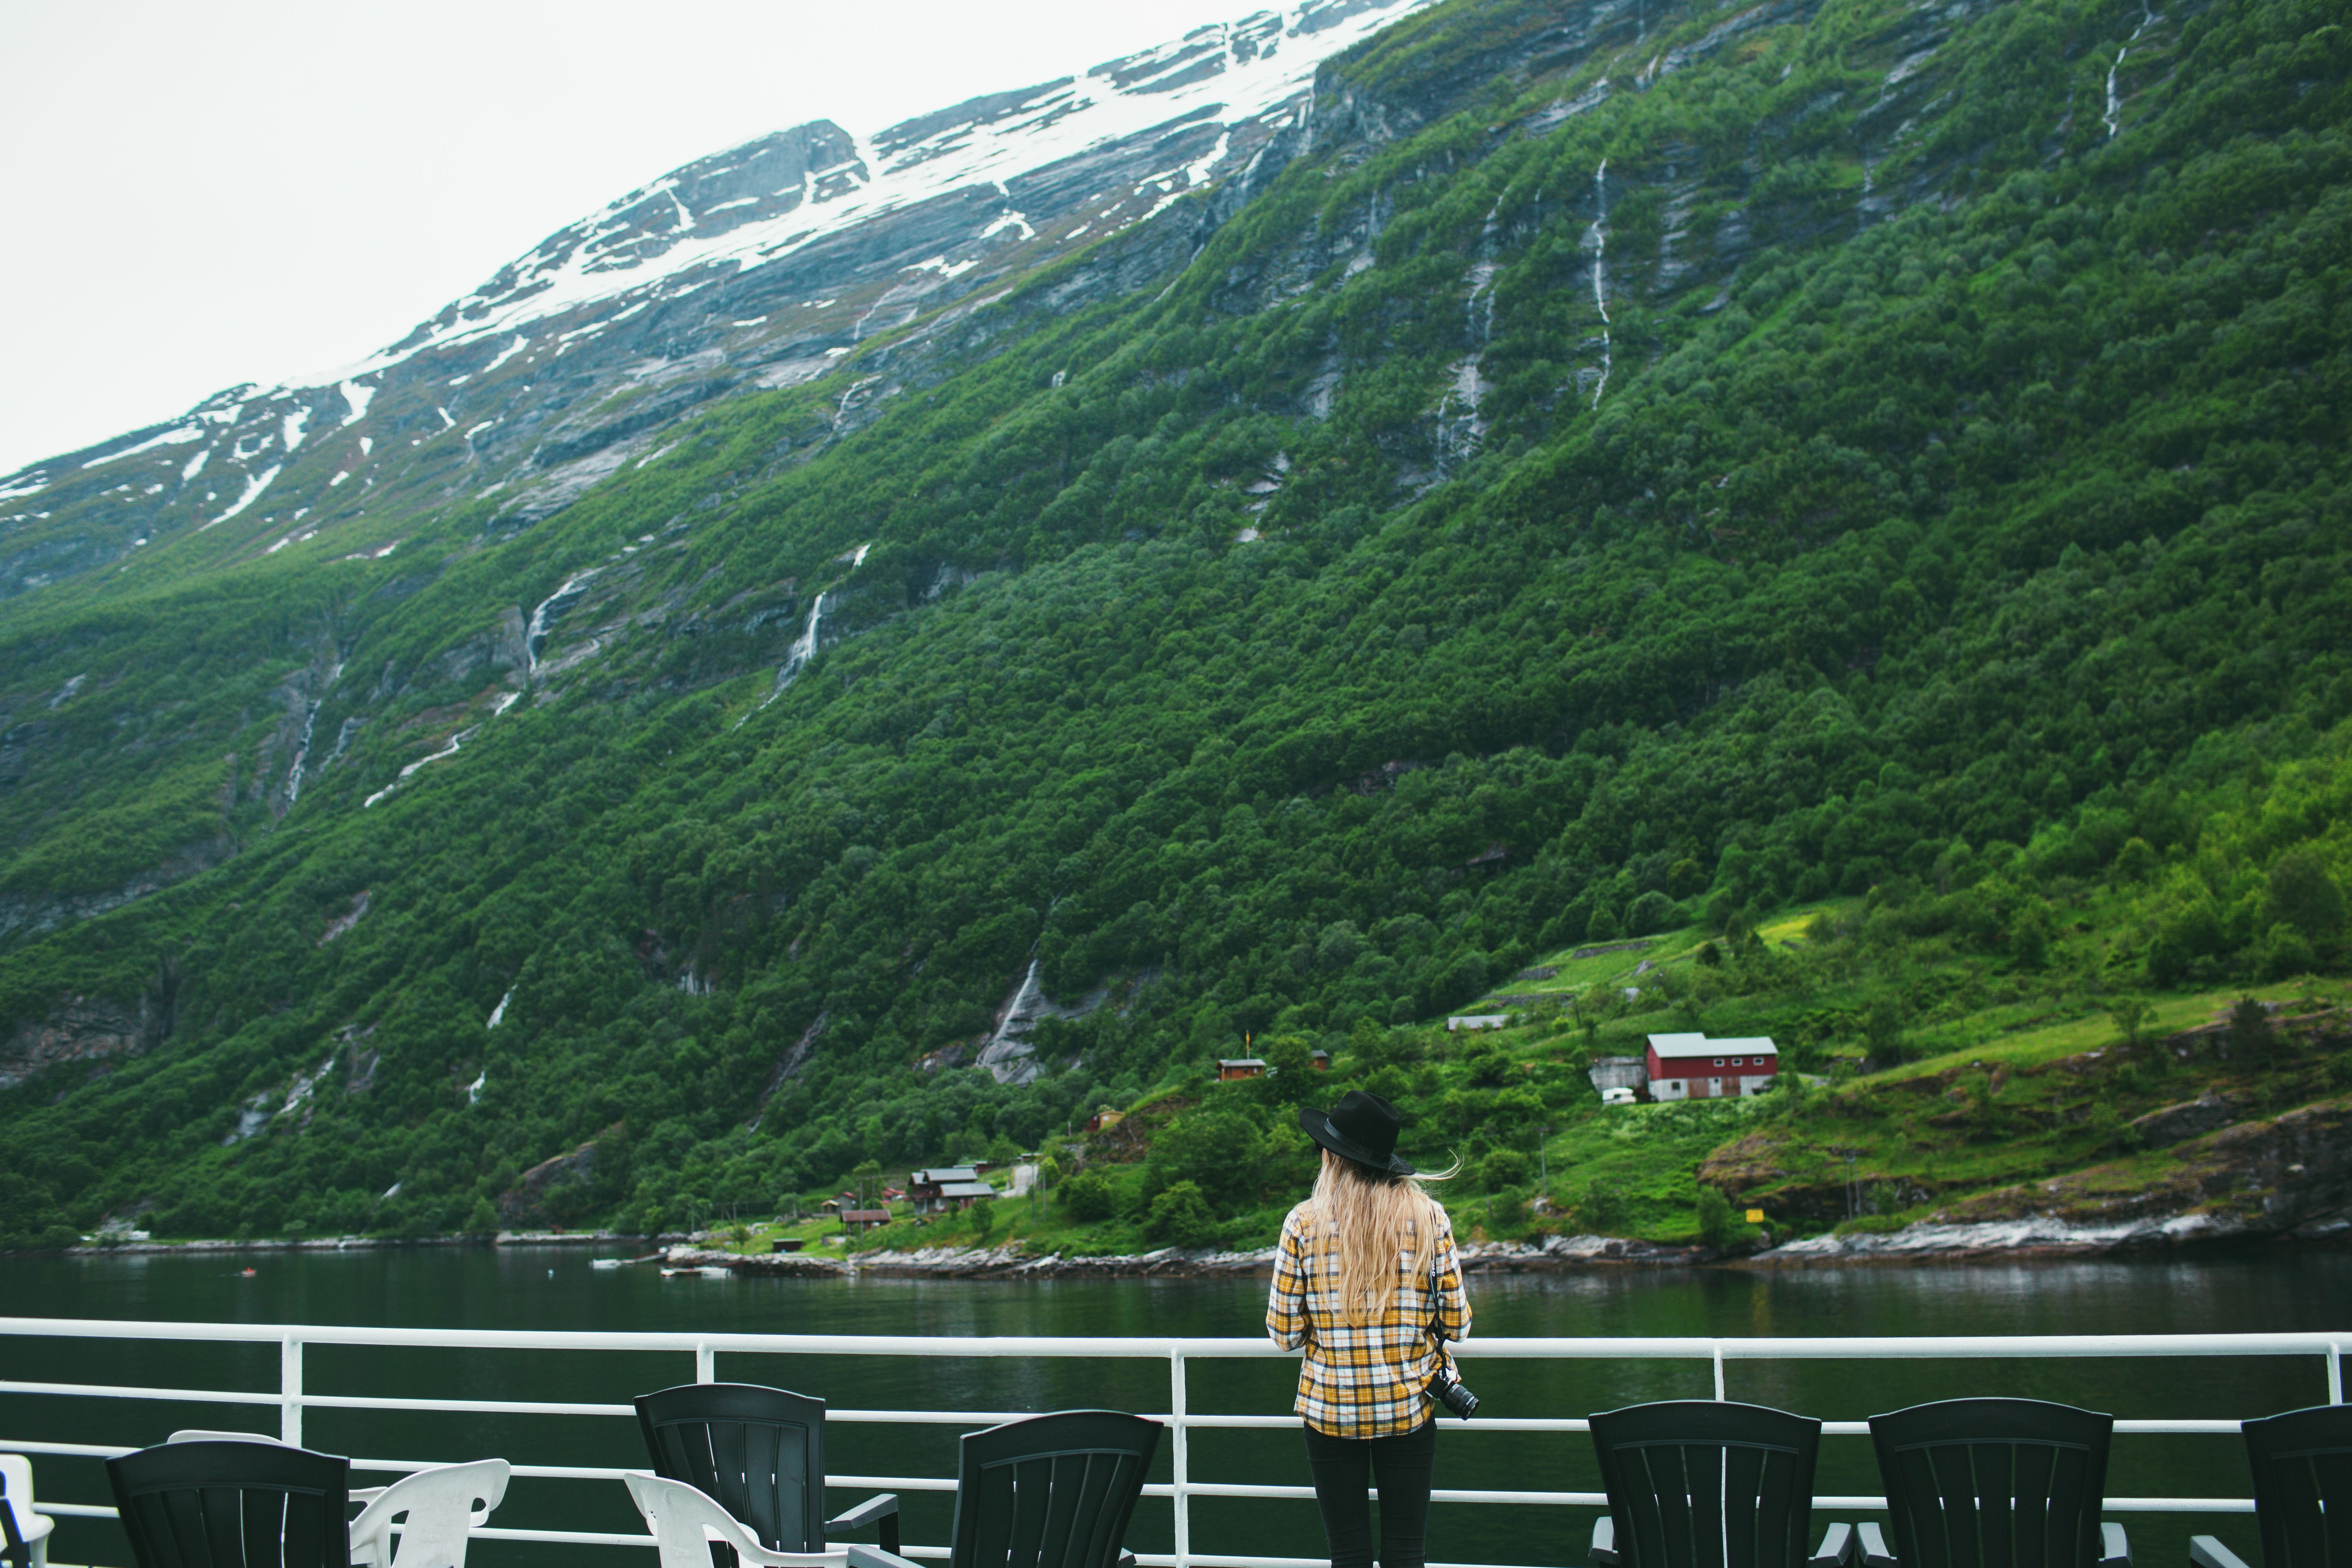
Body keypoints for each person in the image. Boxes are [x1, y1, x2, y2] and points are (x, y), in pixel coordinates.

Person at [1266, 1089, 1469, 1568]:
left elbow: (1283, 1335)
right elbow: (1458, 1325)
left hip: (1330, 1408)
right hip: (1407, 1405)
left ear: (1333, 1156)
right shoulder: (1429, 1217)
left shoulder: (1303, 1222)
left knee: (1348, 1554)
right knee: (1405, 1552)